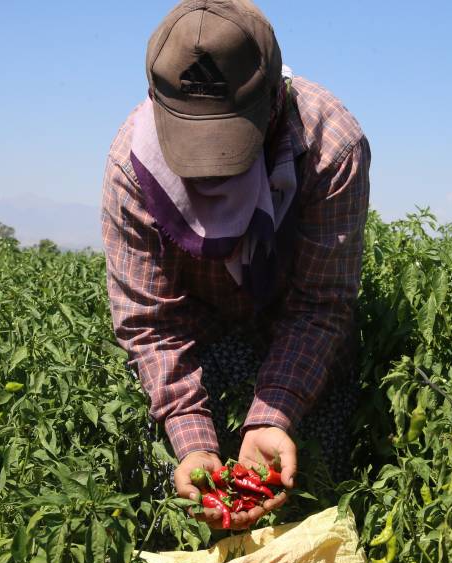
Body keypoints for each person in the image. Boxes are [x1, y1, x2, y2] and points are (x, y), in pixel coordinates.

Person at [101, 0, 370, 529]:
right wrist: (191, 437)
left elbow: (320, 304)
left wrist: (273, 415)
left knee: (312, 491)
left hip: (296, 336)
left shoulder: (330, 149)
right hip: (199, 337)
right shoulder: (132, 171)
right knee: (183, 502)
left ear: (274, 97)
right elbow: (150, 323)